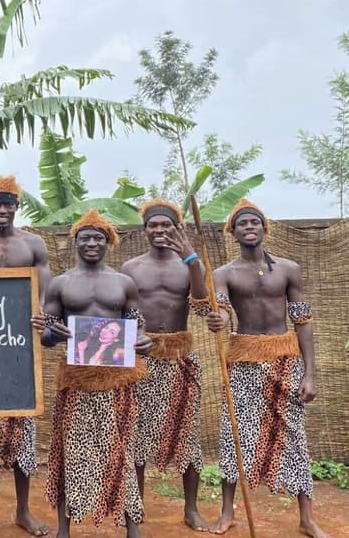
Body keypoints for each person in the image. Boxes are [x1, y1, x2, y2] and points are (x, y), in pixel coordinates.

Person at [204, 199, 328, 538]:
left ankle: (306, 518)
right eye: (242, 223)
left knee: (293, 435)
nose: (248, 227)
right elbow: (225, 309)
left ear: (263, 228)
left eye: (254, 222)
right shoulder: (224, 274)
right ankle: (227, 512)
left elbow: (302, 320)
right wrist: (220, 318)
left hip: (285, 360)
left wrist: (310, 373)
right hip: (243, 360)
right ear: (232, 231)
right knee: (235, 434)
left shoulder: (288, 269)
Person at [32, 209, 151, 538]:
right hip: (76, 381)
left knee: (120, 450)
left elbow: (138, 328)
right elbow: (45, 337)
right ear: (75, 243)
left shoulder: (124, 283)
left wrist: (144, 343)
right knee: (69, 451)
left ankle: (132, 526)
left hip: (117, 383)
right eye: (85, 238)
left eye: (98, 237)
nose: (91, 243)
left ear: (108, 242)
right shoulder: (60, 284)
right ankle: (63, 528)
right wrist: (55, 333)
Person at [120, 199, 208, 531]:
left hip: (180, 358)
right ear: (145, 231)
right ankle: (135, 514)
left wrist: (193, 258)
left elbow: (201, 306)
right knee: (137, 436)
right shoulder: (131, 268)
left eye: (165, 225)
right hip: (141, 357)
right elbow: (121, 312)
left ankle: (191, 509)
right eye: (153, 226)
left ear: (176, 228)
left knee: (189, 436)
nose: (159, 230)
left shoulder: (188, 265)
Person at [0, 175, 50, 537]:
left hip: (22, 349)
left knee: (23, 431)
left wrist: (42, 320)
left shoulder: (33, 244)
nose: (2, 210)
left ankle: (23, 509)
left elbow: (45, 297)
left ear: (16, 207)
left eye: (9, 204)